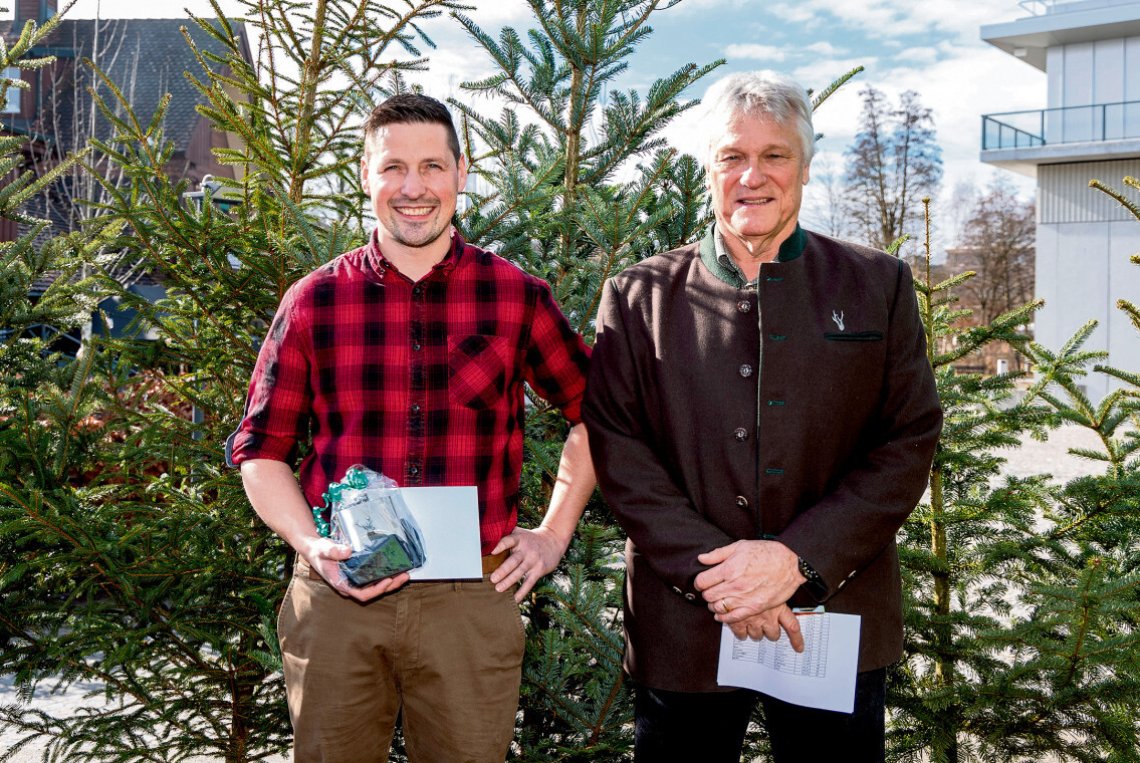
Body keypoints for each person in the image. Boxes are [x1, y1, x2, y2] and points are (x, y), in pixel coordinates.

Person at [581, 70, 942, 762]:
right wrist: (721, 574)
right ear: (708, 170)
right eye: (732, 157)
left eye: (774, 155)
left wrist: (796, 560)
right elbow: (618, 446)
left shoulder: (878, 284)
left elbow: (908, 438)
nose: (754, 175)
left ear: (804, 166)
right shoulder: (637, 296)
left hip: (832, 622)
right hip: (685, 628)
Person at [227, 93, 595, 763]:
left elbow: (598, 413)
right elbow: (260, 450)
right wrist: (309, 544)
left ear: (462, 171)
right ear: (366, 175)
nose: (414, 187)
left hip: (471, 598)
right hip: (340, 593)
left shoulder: (516, 295)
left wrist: (551, 534)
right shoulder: (314, 301)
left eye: (432, 165)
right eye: (393, 166)